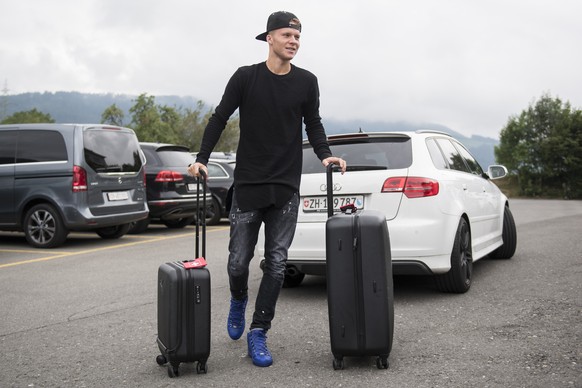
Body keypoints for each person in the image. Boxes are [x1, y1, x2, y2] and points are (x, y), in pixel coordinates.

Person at [188, 10, 347, 367]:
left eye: (298, 38)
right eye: (288, 35)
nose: (294, 42)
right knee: (237, 262)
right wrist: (201, 157)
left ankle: (258, 331)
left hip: (286, 186)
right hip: (248, 184)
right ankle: (239, 298)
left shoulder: (307, 82)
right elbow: (219, 117)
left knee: (276, 263)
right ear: (269, 38)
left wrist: (325, 156)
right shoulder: (246, 78)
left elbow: (314, 124)